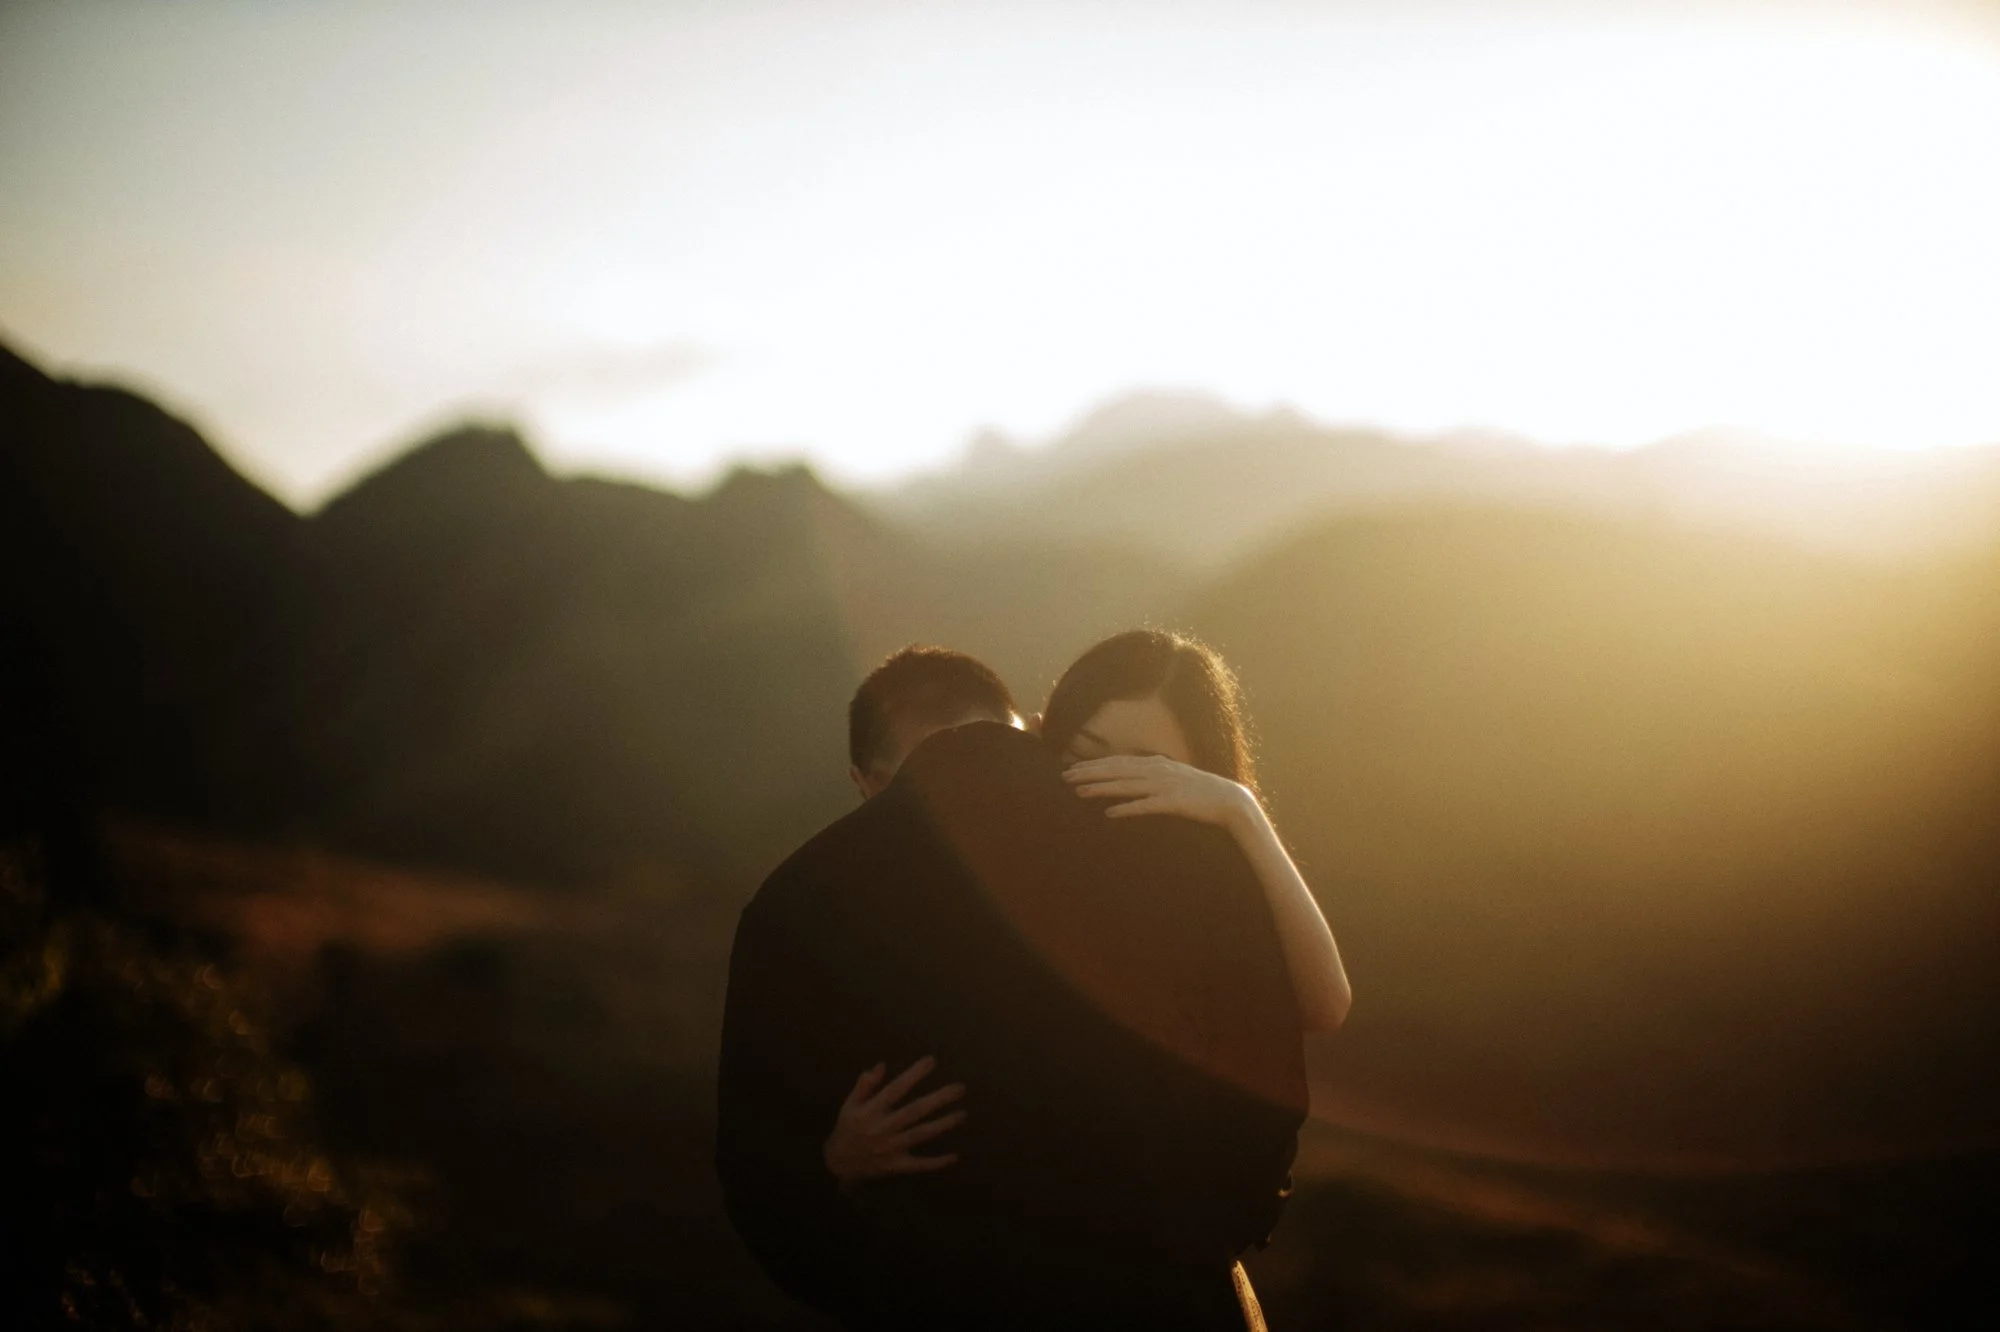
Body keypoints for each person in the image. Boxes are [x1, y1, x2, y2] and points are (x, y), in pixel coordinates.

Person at [718, 637, 1318, 1328]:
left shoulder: (802, 906)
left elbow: (1314, 1006)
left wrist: (1239, 811)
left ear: (1027, 740)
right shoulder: (833, 919)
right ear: (868, 785)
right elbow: (1258, 1128)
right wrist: (832, 1160)